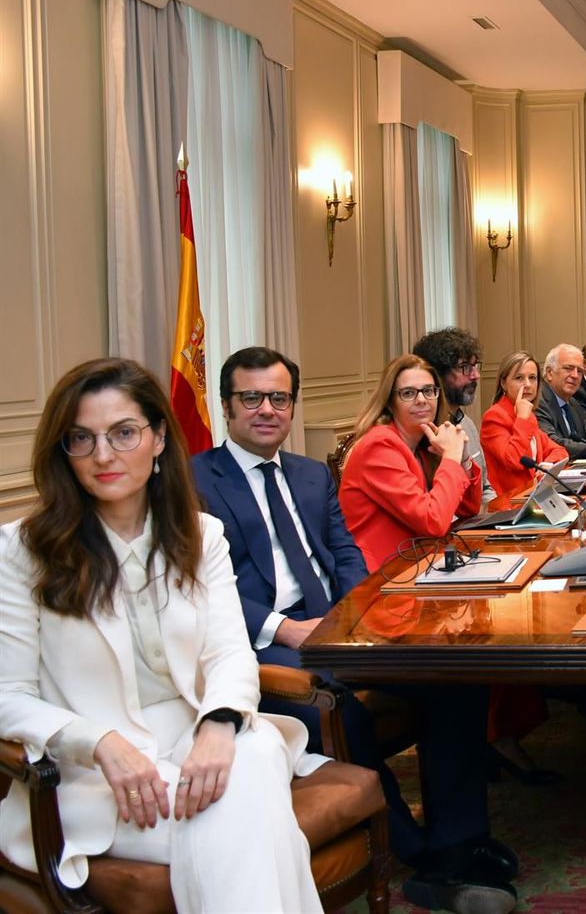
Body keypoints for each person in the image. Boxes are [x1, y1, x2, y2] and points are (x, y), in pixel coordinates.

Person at [191, 348, 517, 912]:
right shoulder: (194, 479)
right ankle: (421, 857)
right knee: (341, 711)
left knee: (457, 677)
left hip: (340, 628)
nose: (267, 409)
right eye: (252, 398)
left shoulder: (309, 474)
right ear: (226, 406)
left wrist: (353, 614)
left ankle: (459, 840)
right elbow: (199, 586)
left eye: (279, 398)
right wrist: (284, 628)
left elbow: (344, 554)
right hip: (264, 645)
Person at [0, 358, 326, 911]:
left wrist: (220, 725)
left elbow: (229, 651)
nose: (103, 455)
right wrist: (100, 743)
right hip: (99, 780)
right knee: (249, 817)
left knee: (252, 757)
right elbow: (8, 696)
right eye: (82, 438)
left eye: (123, 433)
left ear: (157, 440)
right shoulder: (22, 551)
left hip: (201, 729)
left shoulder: (200, 535)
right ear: (63, 451)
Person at [337, 355, 482, 572]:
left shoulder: (425, 443)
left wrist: (462, 458)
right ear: (390, 402)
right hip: (379, 576)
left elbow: (469, 509)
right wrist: (451, 457)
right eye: (408, 393)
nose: (422, 399)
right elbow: (433, 521)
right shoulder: (379, 446)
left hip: (419, 563)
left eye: (428, 390)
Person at [413, 327, 493, 509]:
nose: (476, 375)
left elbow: (485, 488)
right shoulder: (422, 433)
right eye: (465, 367)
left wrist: (503, 516)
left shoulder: (467, 424)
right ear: (437, 376)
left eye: (475, 366)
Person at [480, 350, 569, 498]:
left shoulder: (529, 415)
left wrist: (546, 465)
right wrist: (521, 418)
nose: (528, 384)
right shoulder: (494, 417)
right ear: (503, 383)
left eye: (532, 378)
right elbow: (514, 460)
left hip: (532, 497)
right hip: (508, 504)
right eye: (519, 378)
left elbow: (560, 451)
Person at [536, 344, 586, 460]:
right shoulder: (538, 401)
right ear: (549, 373)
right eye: (568, 368)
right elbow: (553, 441)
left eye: (579, 371)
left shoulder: (572, 402)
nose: (575, 376)